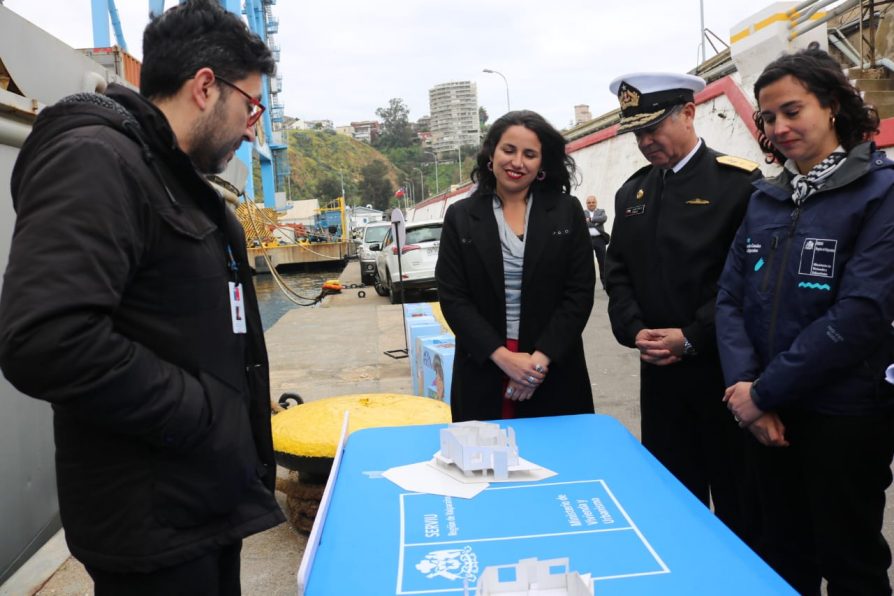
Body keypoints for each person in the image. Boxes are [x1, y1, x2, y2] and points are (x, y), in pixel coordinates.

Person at [0, 2, 283, 593]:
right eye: (251, 106)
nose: (253, 126)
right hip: (154, 531)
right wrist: (202, 413)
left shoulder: (171, 177)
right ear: (206, 87)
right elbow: (47, 338)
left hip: (199, 507)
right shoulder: (98, 161)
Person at [717, 45, 894, 594]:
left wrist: (763, 391)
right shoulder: (765, 198)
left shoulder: (881, 192)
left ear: (833, 105)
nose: (778, 127)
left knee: (851, 564)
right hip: (765, 417)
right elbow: (729, 299)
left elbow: (862, 313)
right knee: (776, 558)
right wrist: (747, 390)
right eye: (768, 117)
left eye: (793, 110)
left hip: (843, 417)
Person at [604, 72, 761, 545]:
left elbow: (748, 281)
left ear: (689, 113)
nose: (646, 141)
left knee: (739, 504)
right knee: (673, 500)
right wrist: (635, 331)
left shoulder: (737, 183)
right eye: (637, 132)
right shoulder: (632, 192)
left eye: (654, 127)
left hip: (721, 372)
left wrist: (691, 336)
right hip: (660, 375)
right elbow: (617, 274)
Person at [436, 110, 595, 421]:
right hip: (484, 364)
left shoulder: (566, 211)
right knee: (486, 464)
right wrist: (504, 358)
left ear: (542, 164)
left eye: (530, 154)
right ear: (491, 153)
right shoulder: (461, 216)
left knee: (558, 462)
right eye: (509, 150)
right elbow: (454, 298)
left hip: (553, 365)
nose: (517, 162)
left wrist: (537, 363)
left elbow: (579, 293)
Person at [583, 195, 609, 289]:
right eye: (589, 202)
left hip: (599, 240)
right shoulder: (583, 212)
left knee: (603, 263)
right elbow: (581, 222)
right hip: (587, 241)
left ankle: (606, 284)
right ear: (586, 204)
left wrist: (590, 220)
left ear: (596, 202)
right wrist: (596, 222)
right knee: (587, 264)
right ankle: (588, 286)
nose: (591, 204)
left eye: (593, 202)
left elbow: (604, 218)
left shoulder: (601, 211)